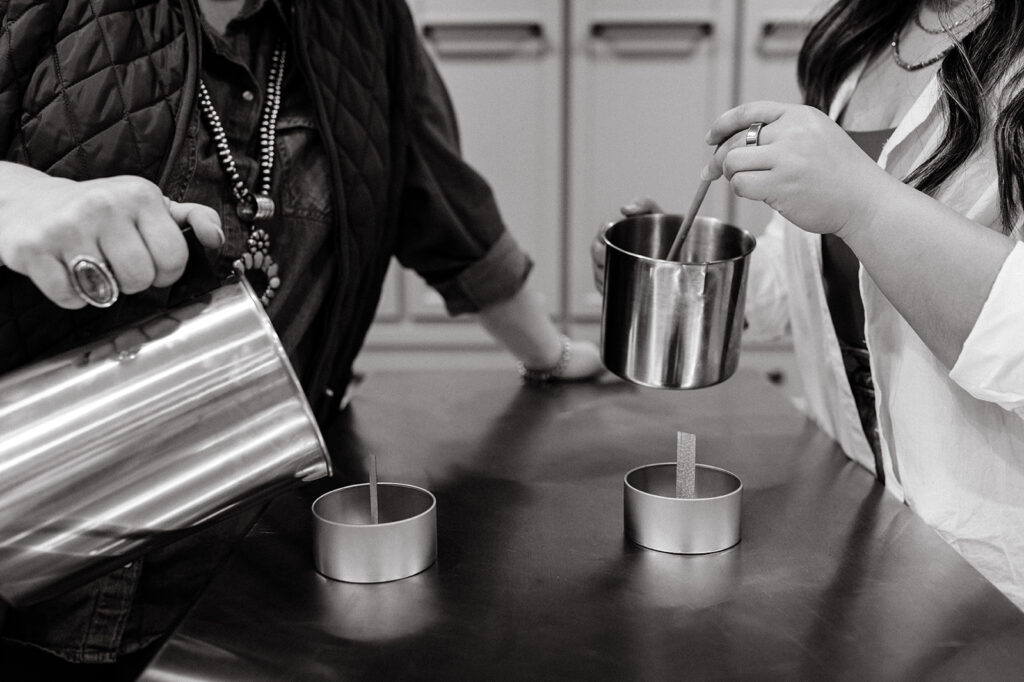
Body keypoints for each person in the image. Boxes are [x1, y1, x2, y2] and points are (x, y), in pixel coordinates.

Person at [0, 0, 601, 676]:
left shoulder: (365, 18)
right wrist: (18, 199)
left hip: (260, 568)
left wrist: (547, 353)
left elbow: (436, 198)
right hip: (34, 575)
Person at [595, 0, 1024, 610]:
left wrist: (865, 203)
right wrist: (683, 282)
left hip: (991, 581)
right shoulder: (867, 36)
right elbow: (813, 276)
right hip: (863, 525)